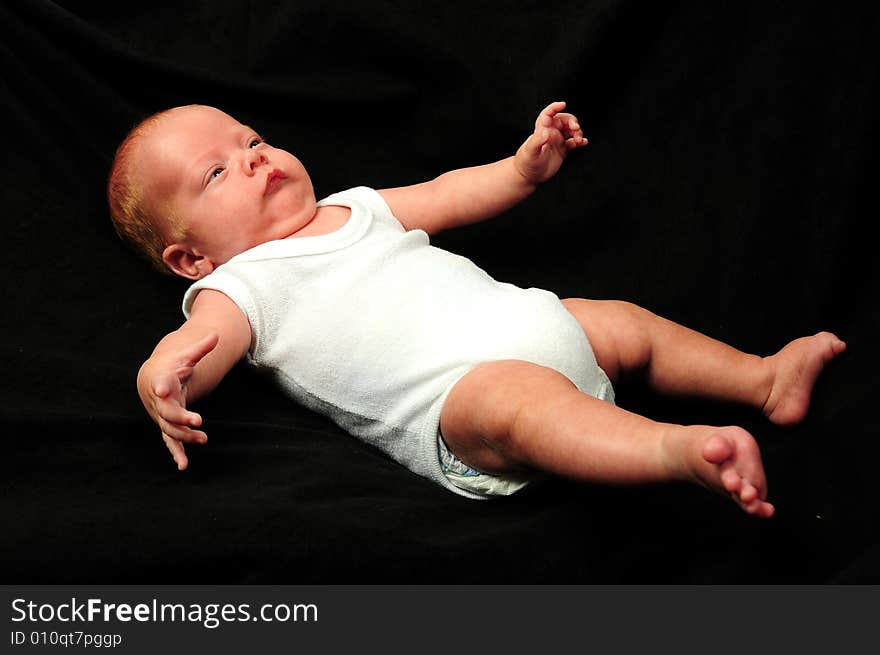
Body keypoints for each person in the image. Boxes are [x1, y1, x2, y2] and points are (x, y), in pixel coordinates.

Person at [108, 101, 846, 518]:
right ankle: (675, 451)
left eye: (252, 139)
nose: (252, 158)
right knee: (518, 402)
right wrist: (162, 373)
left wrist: (521, 169)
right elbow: (202, 343)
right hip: (457, 406)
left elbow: (451, 192)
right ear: (190, 259)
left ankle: (763, 379)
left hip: (535, 319)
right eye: (217, 171)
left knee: (620, 321)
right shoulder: (242, 286)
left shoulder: (356, 207)